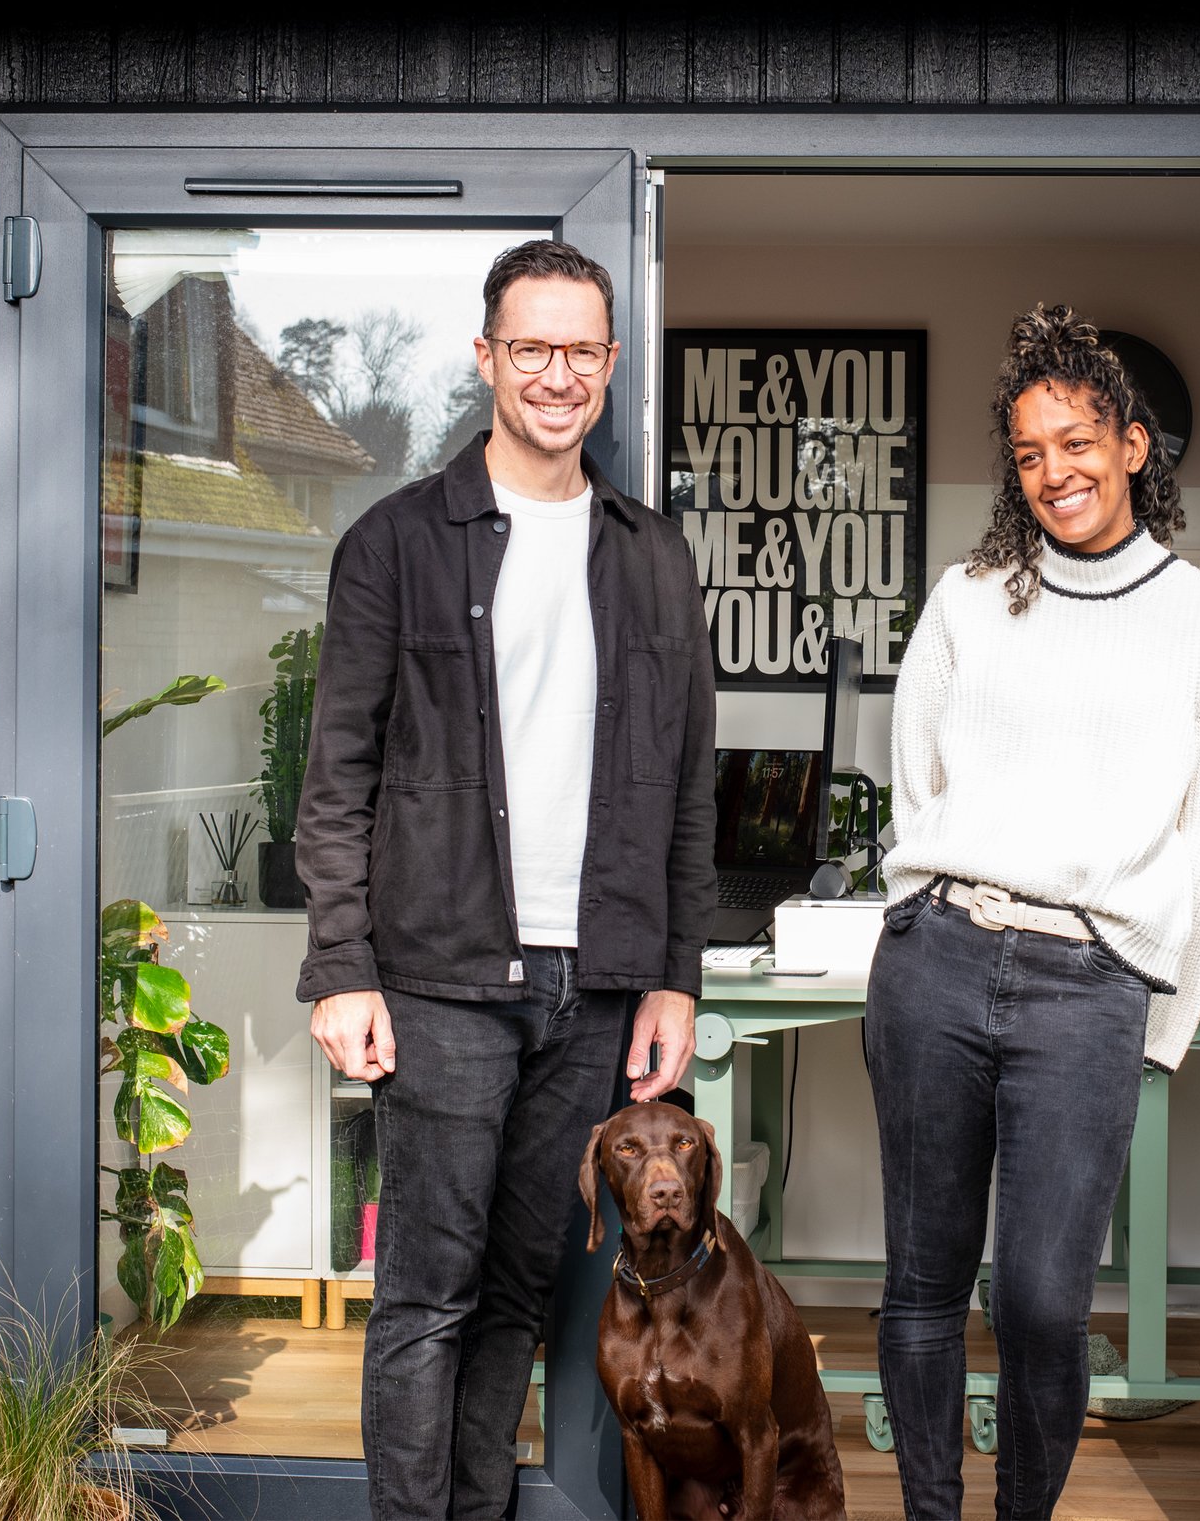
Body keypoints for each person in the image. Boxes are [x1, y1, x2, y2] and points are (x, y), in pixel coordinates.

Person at [293, 239, 712, 1521]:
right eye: (531, 346)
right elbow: (337, 773)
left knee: (520, 1293)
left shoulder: (651, 555)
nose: (556, 374)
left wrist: (671, 981)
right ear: (486, 358)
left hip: (590, 988)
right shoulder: (395, 545)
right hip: (438, 978)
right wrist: (341, 967)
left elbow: (687, 785)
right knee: (430, 1292)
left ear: (609, 366)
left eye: (581, 350)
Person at [871, 304, 1200, 1520]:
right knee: (923, 1281)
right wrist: (942, 897)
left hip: (1089, 982)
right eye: (1029, 452)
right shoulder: (968, 599)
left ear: (1134, 444)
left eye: (1077, 441)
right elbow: (915, 772)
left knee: (1041, 1299)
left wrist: (1155, 1020)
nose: (1055, 471)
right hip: (937, 957)